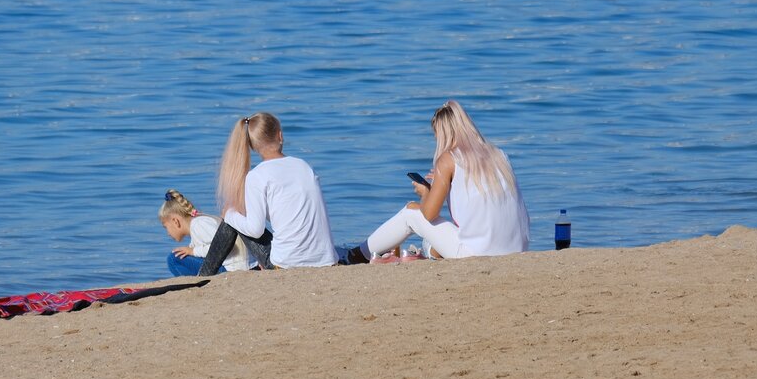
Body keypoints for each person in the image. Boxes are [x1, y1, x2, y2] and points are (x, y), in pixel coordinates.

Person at [346, 100, 529, 263]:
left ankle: (356, 255)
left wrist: (426, 193)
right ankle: (429, 252)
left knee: (410, 212)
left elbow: (429, 215)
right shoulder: (499, 155)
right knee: (432, 240)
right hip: (516, 250)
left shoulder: (449, 158)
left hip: (478, 254)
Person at [197, 112, 338, 275]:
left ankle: (205, 274)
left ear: (252, 145)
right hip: (326, 261)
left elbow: (255, 230)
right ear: (280, 135)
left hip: (287, 265)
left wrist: (229, 215)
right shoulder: (303, 166)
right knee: (236, 216)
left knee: (232, 217)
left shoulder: (257, 176)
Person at [158, 189, 249, 276]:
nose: (168, 233)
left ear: (175, 221)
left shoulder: (199, 224)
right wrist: (191, 250)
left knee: (174, 259)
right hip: (230, 266)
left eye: (166, 227)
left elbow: (222, 246)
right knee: (181, 255)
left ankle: (192, 284)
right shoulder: (197, 225)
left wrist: (193, 251)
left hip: (231, 268)